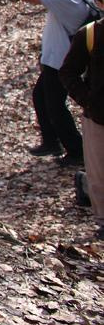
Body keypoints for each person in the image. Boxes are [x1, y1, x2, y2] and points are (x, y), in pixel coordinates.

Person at [19, 0, 96, 167]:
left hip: (61, 62)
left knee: (55, 107)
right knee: (41, 98)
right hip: (55, 59)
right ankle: (52, 142)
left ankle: (76, 151)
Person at [52, 20, 104, 238]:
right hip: (99, 118)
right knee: (100, 173)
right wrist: (89, 101)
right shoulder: (91, 34)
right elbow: (68, 72)